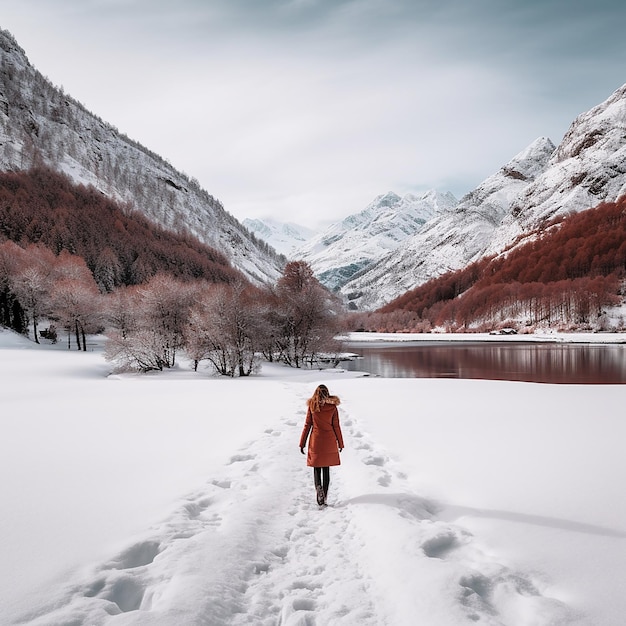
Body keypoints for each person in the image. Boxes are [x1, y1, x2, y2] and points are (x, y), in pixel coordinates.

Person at [299, 384, 344, 506]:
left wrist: (302, 443)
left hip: (316, 441)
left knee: (317, 469)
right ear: (327, 393)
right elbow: (336, 426)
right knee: (326, 469)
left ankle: (318, 489)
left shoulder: (312, 406)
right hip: (329, 441)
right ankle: (324, 494)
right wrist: (340, 443)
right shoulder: (333, 407)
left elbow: (307, 425)